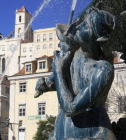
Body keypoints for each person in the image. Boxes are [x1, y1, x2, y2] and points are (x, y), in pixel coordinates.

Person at [35, 8, 117, 139]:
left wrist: (58, 71)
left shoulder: (103, 70)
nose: (78, 26)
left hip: (92, 134)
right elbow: (65, 83)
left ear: (98, 37)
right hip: (62, 132)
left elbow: (70, 109)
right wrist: (46, 85)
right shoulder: (74, 54)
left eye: (85, 25)